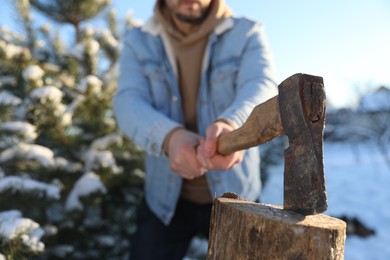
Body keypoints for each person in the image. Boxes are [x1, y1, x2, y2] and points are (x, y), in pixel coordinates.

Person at [113, 0, 277, 259]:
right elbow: (127, 100)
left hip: (237, 195)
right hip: (164, 200)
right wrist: (169, 137)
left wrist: (234, 126)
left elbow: (261, 85)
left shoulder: (246, 32)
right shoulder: (138, 41)